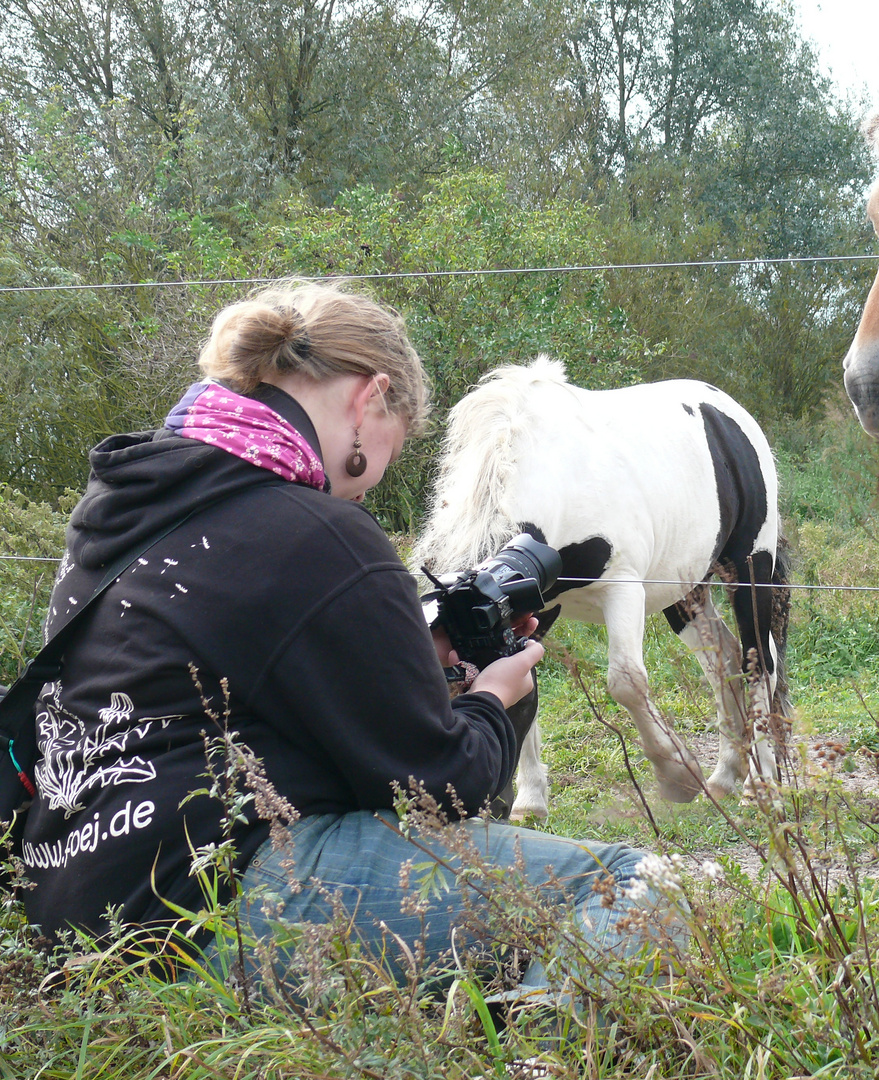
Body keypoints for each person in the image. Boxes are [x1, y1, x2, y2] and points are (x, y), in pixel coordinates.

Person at [20, 281, 669, 1012]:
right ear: (370, 400)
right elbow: (443, 793)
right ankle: (535, 1057)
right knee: (636, 886)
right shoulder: (321, 532)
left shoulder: (122, 500)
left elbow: (212, 688)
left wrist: (406, 658)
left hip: (67, 906)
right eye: (396, 440)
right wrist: (490, 699)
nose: (376, 477)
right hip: (207, 910)